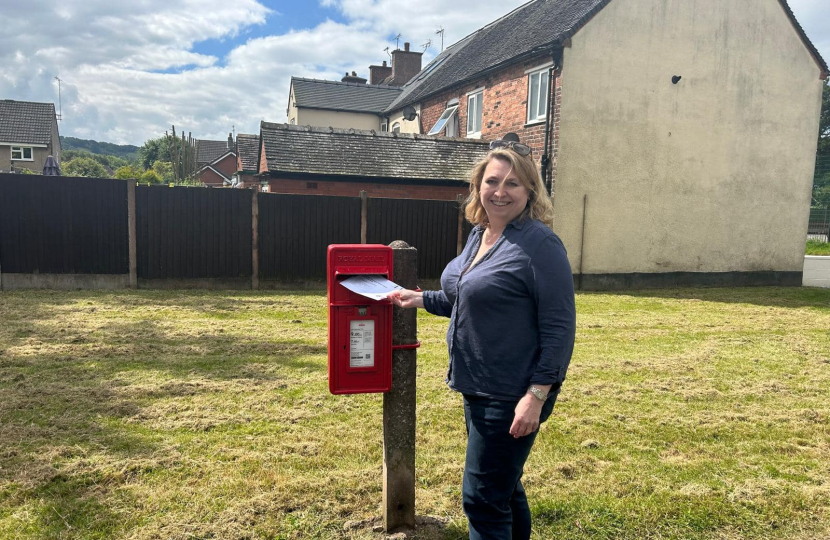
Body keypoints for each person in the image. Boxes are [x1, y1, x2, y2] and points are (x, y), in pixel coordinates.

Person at [388, 138, 576, 540]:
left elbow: (560, 329)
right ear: (478, 187)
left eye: (513, 184)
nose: (500, 192)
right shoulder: (481, 234)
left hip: (511, 392)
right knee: (504, 489)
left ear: (530, 192)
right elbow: (466, 295)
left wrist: (537, 394)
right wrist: (419, 299)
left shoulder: (540, 245)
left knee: (482, 498)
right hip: (476, 385)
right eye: (492, 181)